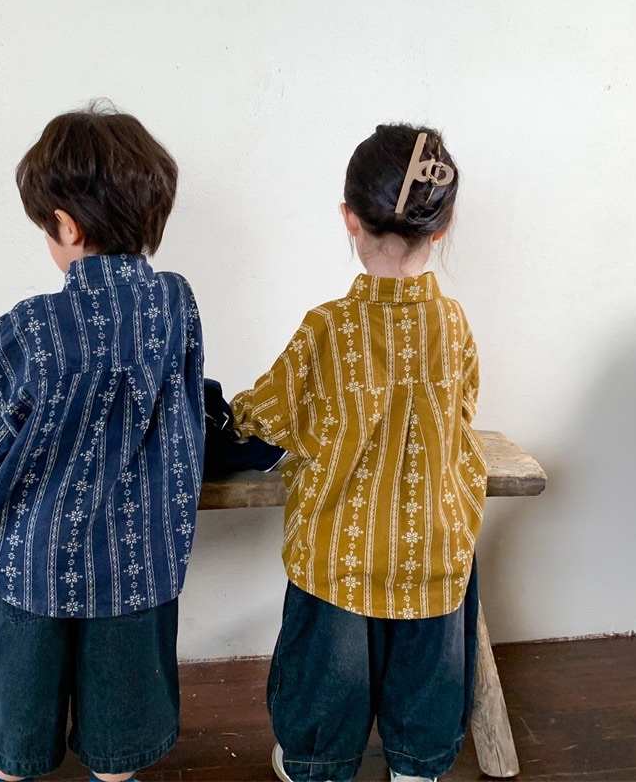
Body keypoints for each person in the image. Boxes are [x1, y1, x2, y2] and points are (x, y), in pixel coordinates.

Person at [0, 102, 205, 782]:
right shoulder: (175, 305)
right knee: (122, 720)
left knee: (17, 714)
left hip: (35, 560)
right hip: (141, 561)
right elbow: (187, 402)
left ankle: (8, 775)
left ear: (66, 225)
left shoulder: (33, 327)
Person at [230, 124, 486, 782]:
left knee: (326, 683)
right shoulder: (453, 322)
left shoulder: (329, 327)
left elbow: (264, 418)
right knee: (427, 679)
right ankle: (416, 767)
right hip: (434, 543)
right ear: (443, 225)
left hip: (339, 548)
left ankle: (319, 761)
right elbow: (463, 409)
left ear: (350, 217)